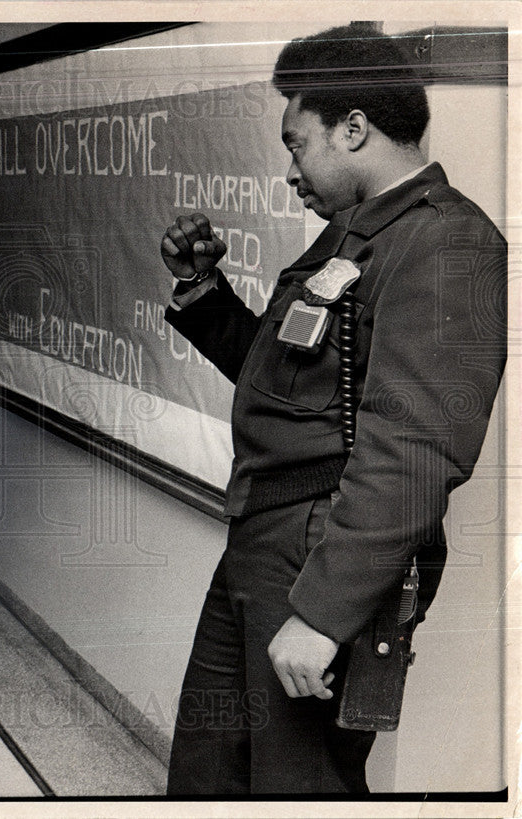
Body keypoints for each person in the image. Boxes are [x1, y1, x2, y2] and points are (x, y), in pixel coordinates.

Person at [161, 23, 506, 794]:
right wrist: (203, 292)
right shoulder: (351, 238)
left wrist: (323, 613)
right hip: (267, 535)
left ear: (354, 129)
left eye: (298, 143)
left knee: (298, 785)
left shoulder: (446, 242)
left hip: (322, 547)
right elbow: (286, 381)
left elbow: (416, 449)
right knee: (211, 771)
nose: (290, 170)